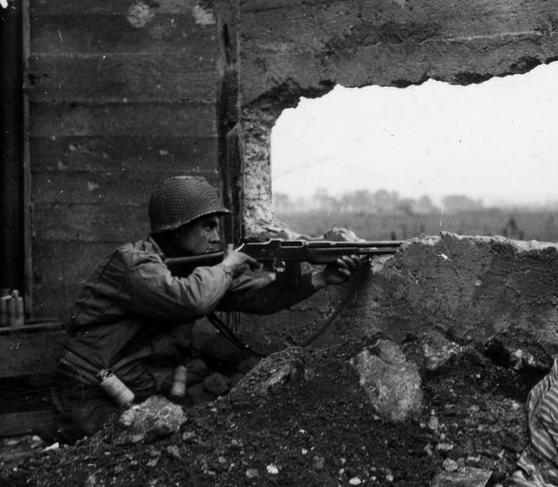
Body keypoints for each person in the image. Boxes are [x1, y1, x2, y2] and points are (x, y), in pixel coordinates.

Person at [50, 175, 361, 441]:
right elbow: (192, 299)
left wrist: (320, 278)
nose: (216, 238)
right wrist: (228, 266)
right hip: (88, 395)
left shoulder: (190, 270)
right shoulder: (133, 264)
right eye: (208, 227)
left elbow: (255, 298)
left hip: (129, 392)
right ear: (177, 230)